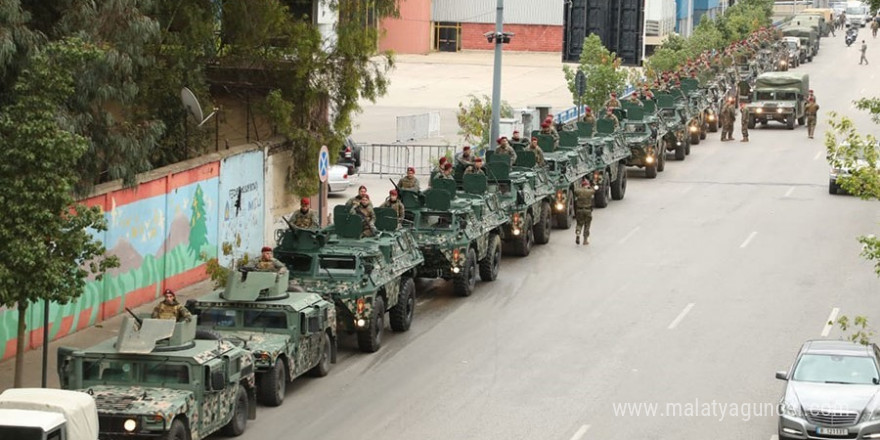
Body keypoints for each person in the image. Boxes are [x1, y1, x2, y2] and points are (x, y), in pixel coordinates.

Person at [572, 178, 596, 245]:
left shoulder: (578, 191)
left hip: (579, 210)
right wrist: (591, 186)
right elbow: (594, 190)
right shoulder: (589, 192)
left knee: (579, 224)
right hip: (588, 210)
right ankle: (585, 240)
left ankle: (578, 233)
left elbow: (575, 191)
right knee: (587, 225)